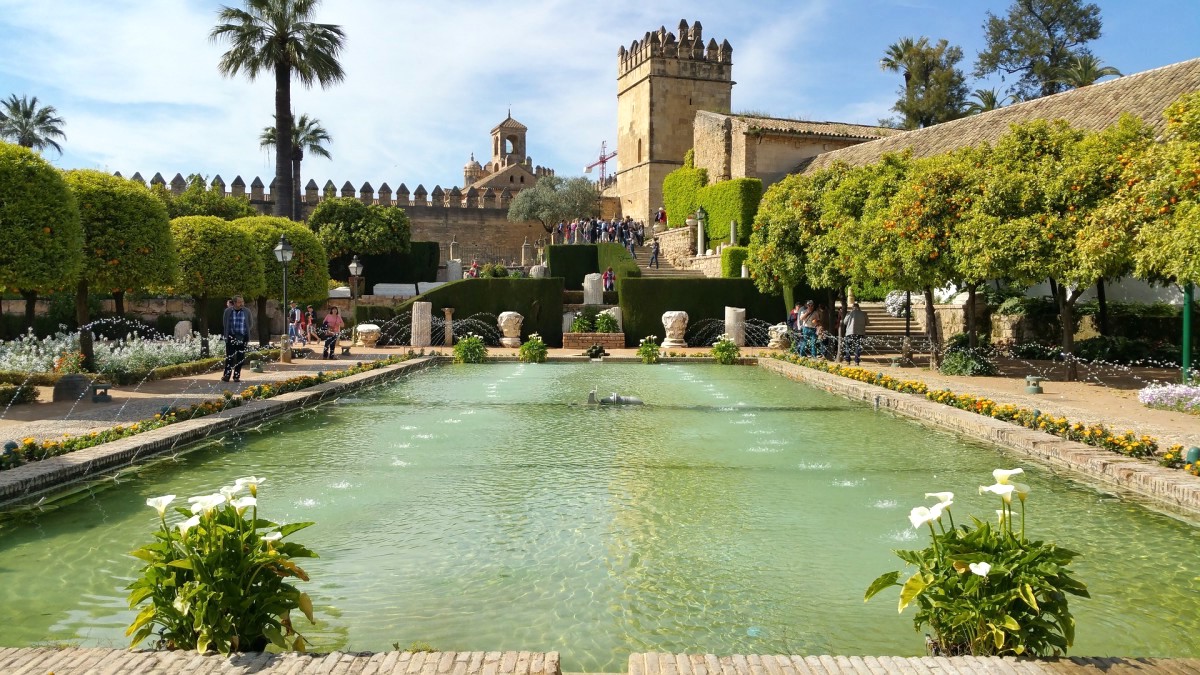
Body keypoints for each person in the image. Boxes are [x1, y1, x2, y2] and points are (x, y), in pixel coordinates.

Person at [221, 295, 253, 382]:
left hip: (242, 337)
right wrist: (228, 335)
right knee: (229, 357)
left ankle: (236, 376)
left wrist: (245, 333)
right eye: (239, 302)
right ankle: (227, 376)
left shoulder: (247, 311)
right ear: (234, 303)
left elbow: (250, 324)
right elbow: (225, 324)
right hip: (231, 336)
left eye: (242, 301)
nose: (242, 303)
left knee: (240, 358)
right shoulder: (228, 311)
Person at [842, 301, 869, 366]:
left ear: (852, 308)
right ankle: (856, 361)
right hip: (860, 332)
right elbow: (867, 323)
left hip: (850, 332)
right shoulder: (863, 314)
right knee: (858, 347)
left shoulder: (849, 313)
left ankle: (847, 360)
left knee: (848, 346)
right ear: (858, 307)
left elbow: (845, 322)